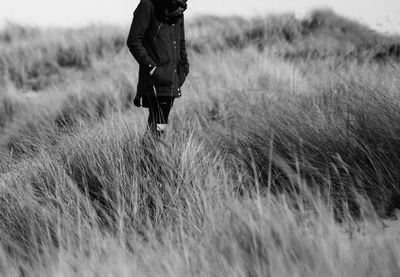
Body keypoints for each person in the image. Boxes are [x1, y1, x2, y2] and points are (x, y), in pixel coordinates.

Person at [127, 0, 189, 136]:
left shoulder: (179, 10)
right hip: (155, 79)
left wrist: (184, 68)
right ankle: (149, 154)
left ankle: (148, 153)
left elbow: (181, 42)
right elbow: (133, 41)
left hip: (172, 78)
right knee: (158, 125)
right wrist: (153, 68)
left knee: (159, 125)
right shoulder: (147, 5)